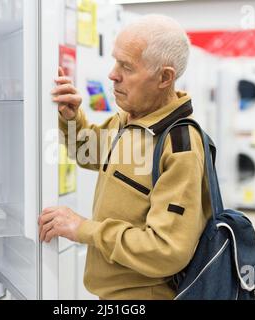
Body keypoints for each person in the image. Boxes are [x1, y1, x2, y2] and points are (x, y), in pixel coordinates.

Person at [38, 14, 211, 300]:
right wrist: (71, 118)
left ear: (164, 77)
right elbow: (87, 152)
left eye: (126, 66)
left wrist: (83, 229)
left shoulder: (180, 146)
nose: (112, 74)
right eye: (115, 61)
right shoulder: (130, 121)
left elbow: (167, 250)